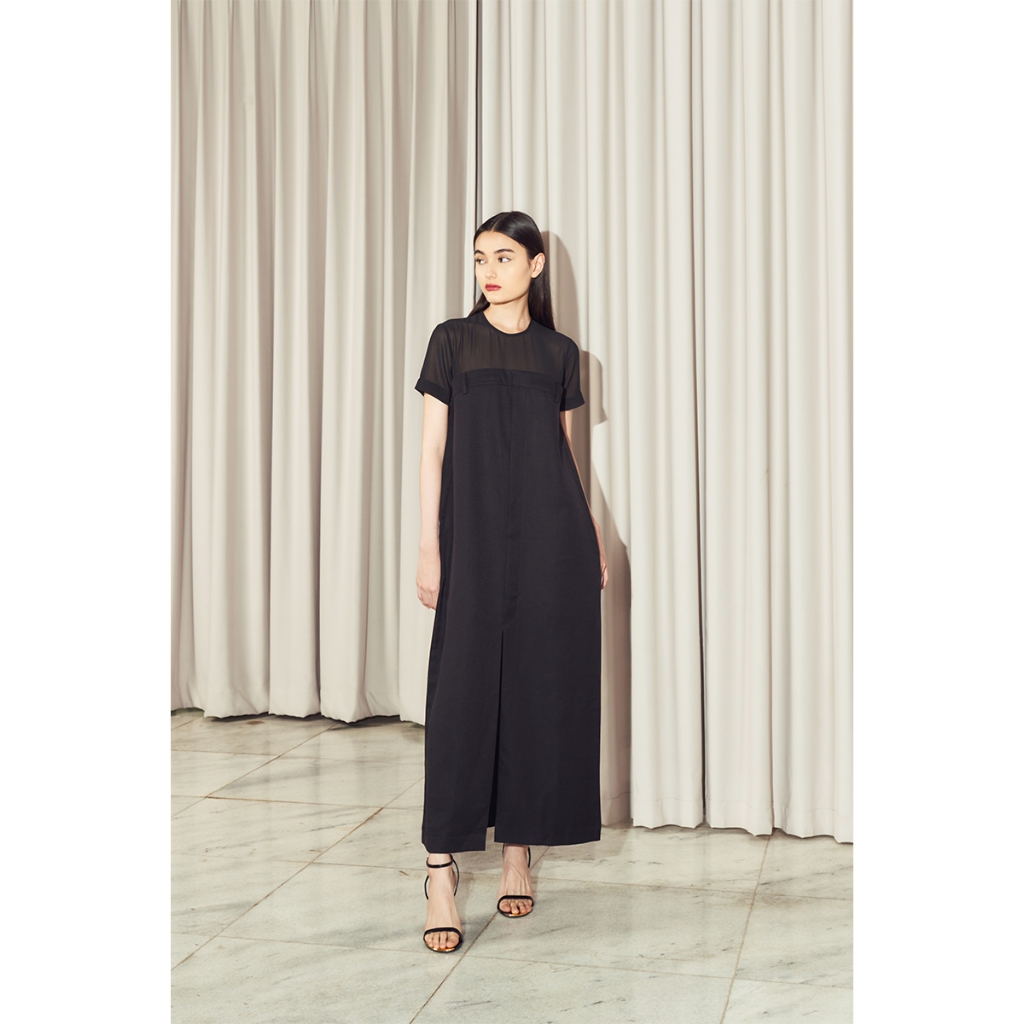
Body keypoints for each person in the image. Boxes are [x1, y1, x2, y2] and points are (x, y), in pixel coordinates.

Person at [414, 211, 608, 953]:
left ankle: (518, 851)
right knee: (459, 698)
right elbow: (432, 452)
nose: (488, 270)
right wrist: (428, 546)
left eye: (503, 256)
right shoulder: (452, 341)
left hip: (550, 544)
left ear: (535, 265)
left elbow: (566, 455)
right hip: (470, 542)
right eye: (478, 258)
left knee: (536, 692)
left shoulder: (560, 353)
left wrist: (590, 536)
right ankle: (440, 871)